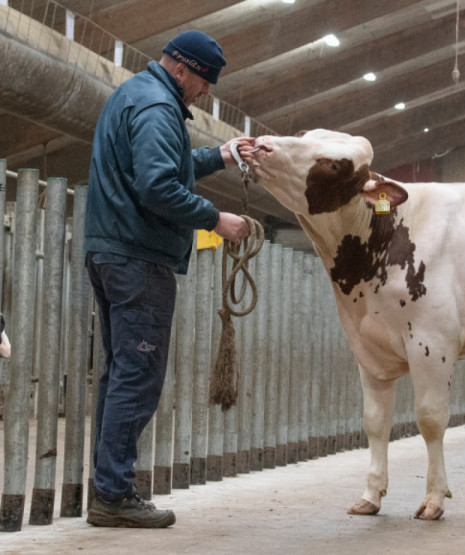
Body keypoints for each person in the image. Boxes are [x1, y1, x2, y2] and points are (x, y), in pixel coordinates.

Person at [84, 30, 255, 528]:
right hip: (138, 258)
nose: (203, 93)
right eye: (203, 82)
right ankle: (113, 495)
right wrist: (214, 219)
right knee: (137, 377)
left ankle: (108, 488)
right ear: (182, 70)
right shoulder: (160, 108)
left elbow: (165, 168)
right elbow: (158, 186)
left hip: (111, 251)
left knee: (120, 374)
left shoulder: (136, 94)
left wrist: (220, 156)